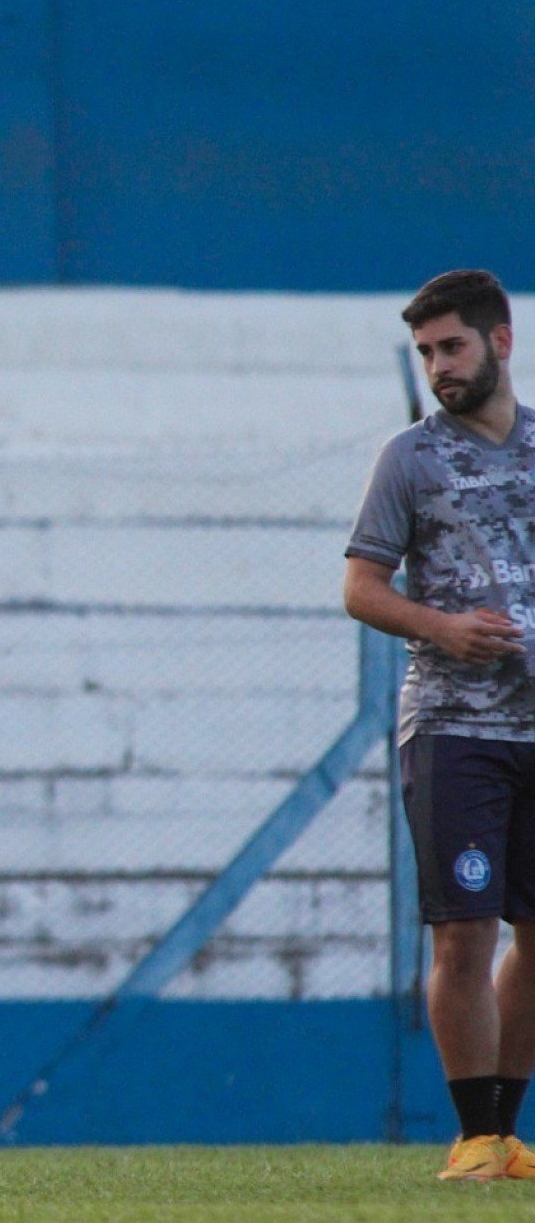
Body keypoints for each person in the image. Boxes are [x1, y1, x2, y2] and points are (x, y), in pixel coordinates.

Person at [345, 269, 535, 1181]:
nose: (438, 367)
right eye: (426, 353)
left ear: (500, 342)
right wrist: (444, 628)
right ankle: (471, 1136)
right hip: (456, 728)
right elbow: (361, 588)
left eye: (451, 346)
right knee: (465, 929)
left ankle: (506, 1132)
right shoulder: (411, 459)